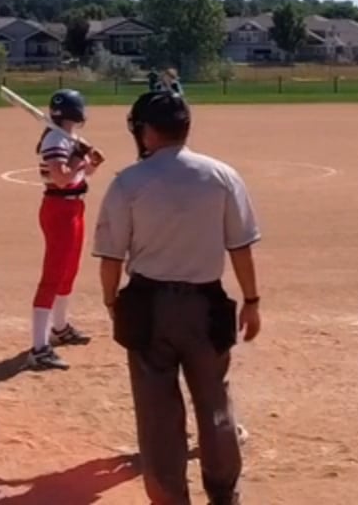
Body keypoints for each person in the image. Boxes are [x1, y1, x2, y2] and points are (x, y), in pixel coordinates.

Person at [95, 90, 261, 505]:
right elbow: (240, 247)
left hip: (148, 305)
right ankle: (224, 495)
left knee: (158, 414)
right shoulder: (222, 175)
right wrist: (252, 300)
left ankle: (170, 498)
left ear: (147, 132)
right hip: (207, 305)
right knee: (215, 403)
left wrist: (112, 302)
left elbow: (111, 258)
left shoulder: (128, 182)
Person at [28, 89, 103, 371]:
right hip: (59, 208)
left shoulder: (67, 138)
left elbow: (81, 175)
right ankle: (39, 348)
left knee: (68, 271)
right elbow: (60, 179)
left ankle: (59, 328)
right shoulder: (55, 139)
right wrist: (78, 158)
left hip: (73, 206)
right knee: (53, 275)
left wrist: (91, 162)